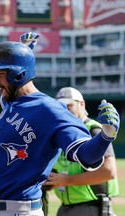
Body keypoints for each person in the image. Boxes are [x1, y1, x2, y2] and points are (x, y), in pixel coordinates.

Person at [0, 39, 120, 215]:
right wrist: (23, 53)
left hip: (18, 211)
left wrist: (106, 135)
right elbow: (18, 96)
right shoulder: (11, 102)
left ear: (18, 74)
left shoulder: (51, 110)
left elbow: (86, 156)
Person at [41, 87, 119, 216]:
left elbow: (108, 172)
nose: (65, 110)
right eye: (61, 106)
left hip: (91, 207)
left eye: (69, 105)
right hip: (66, 208)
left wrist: (66, 180)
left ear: (82, 104)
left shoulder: (93, 129)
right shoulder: (61, 134)